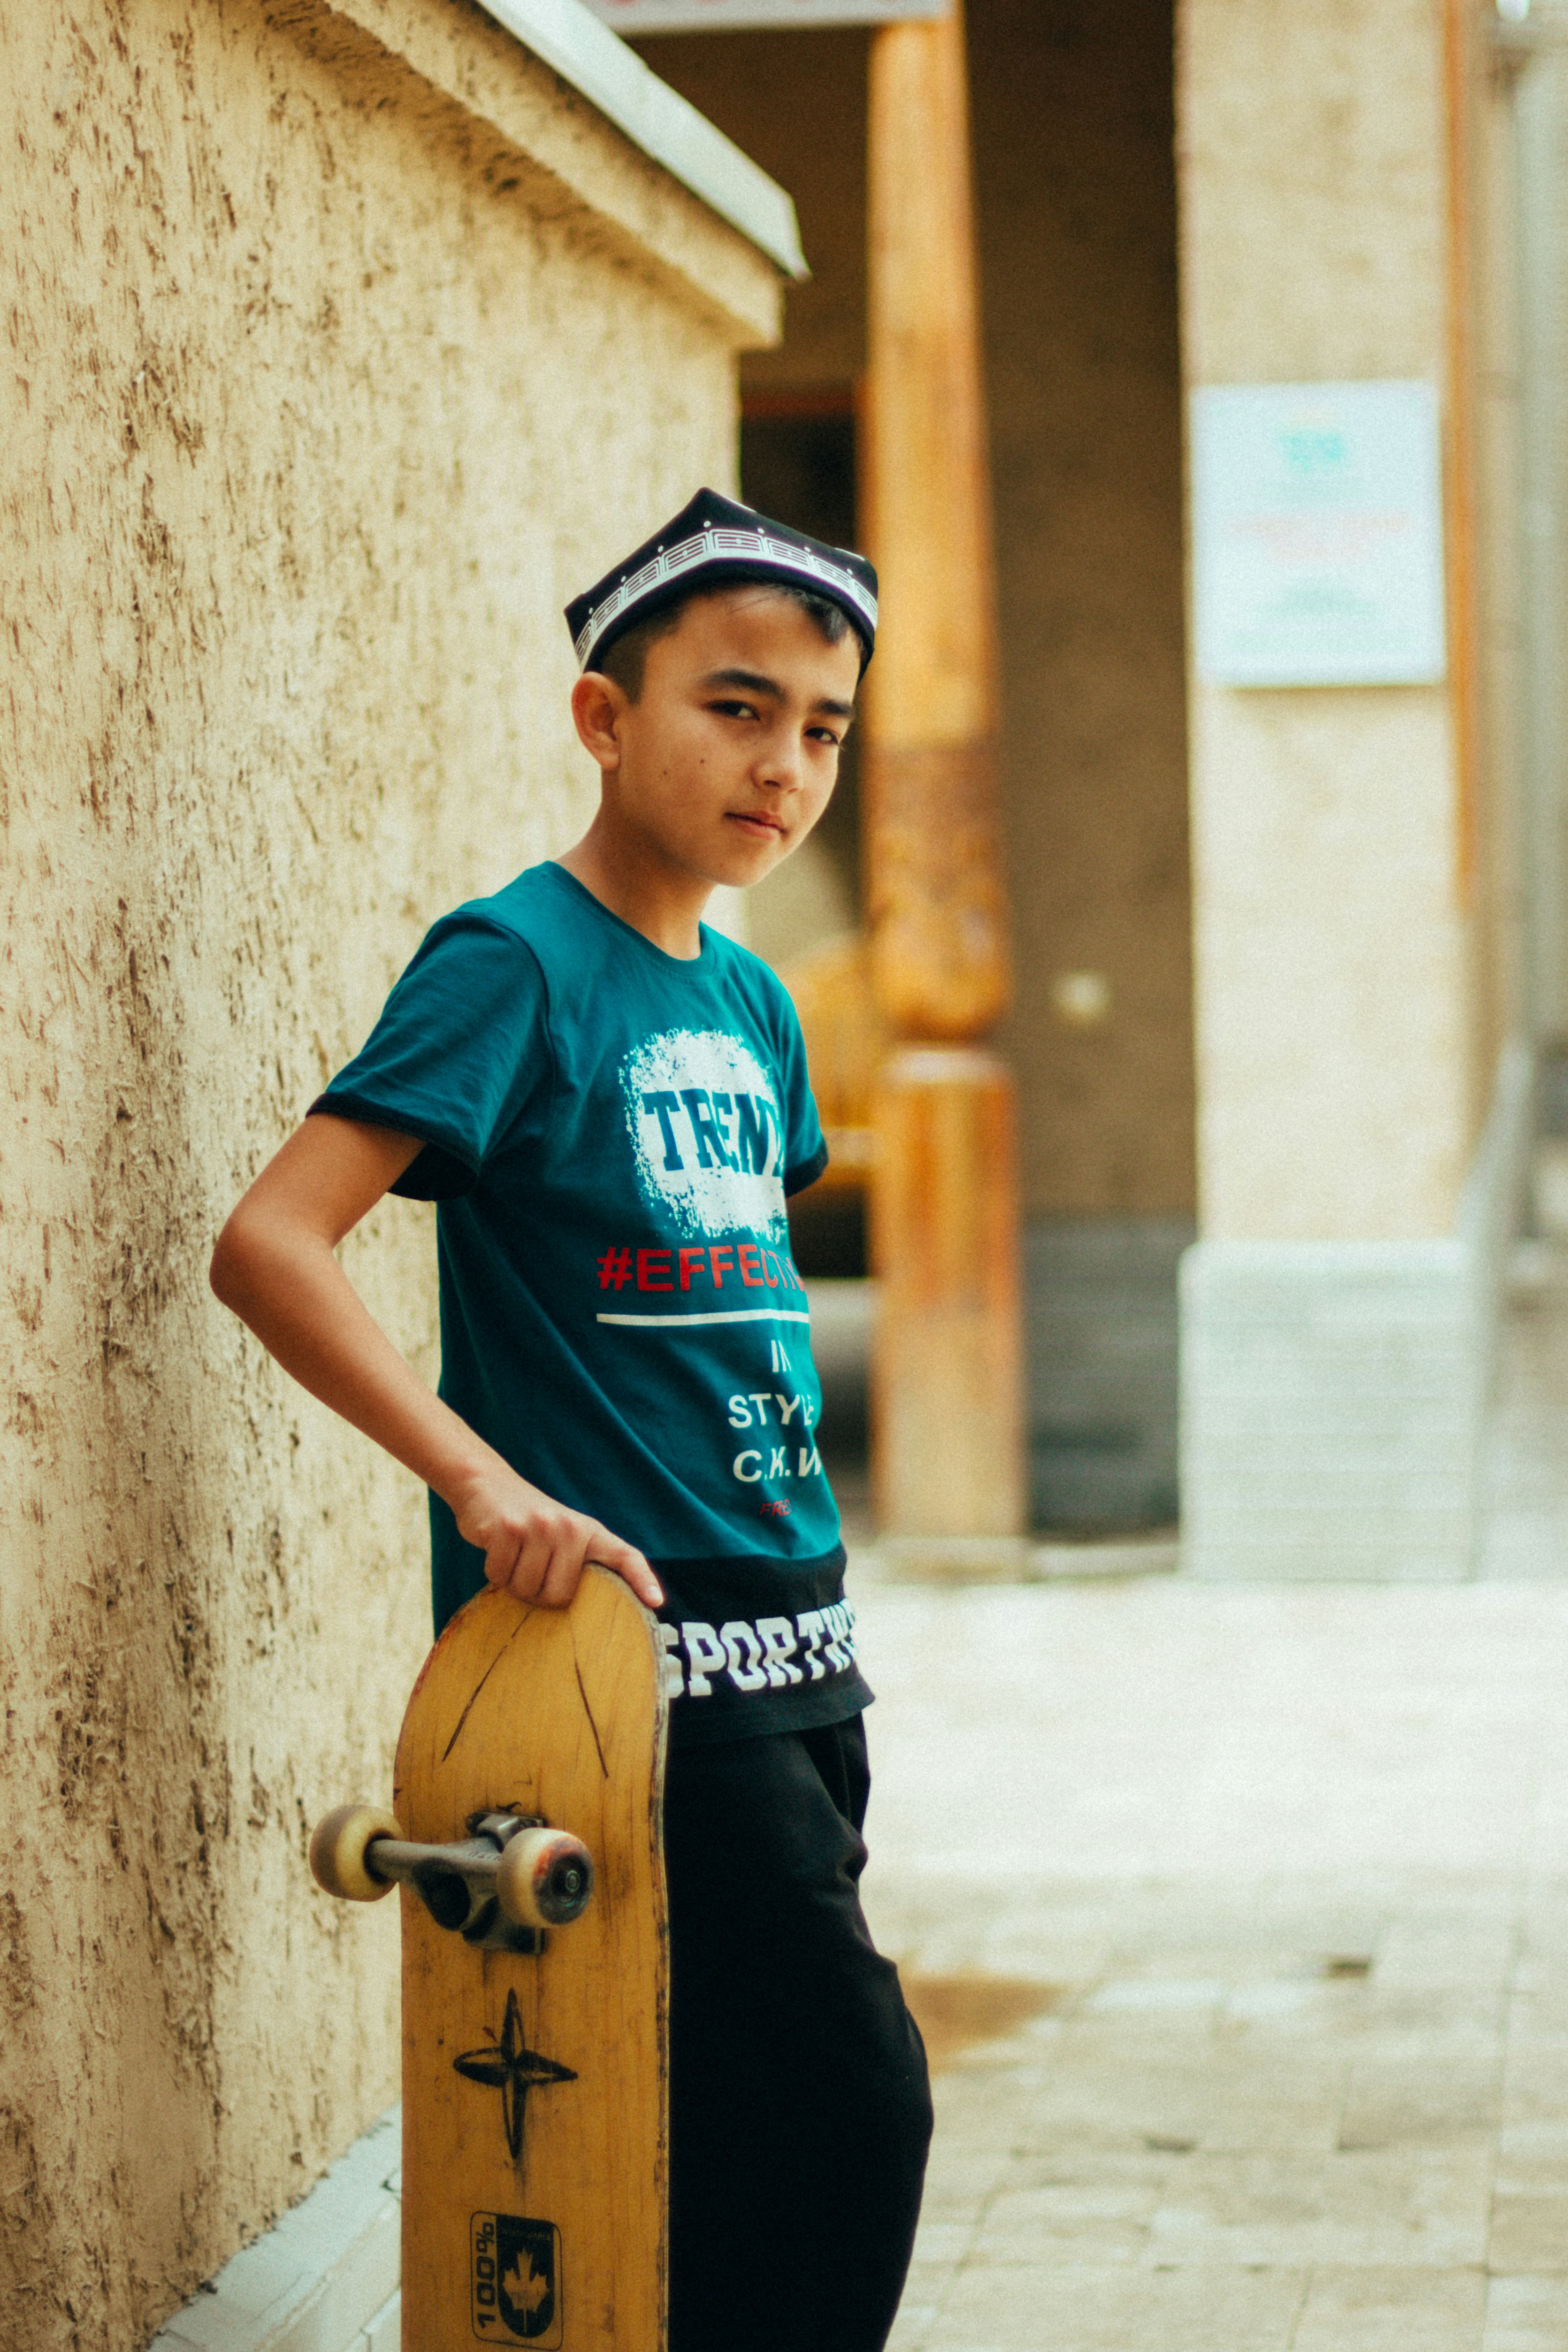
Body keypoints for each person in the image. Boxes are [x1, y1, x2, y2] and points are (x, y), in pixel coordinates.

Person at [209, 488, 933, 2352]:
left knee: (715, 2148)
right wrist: (479, 1476)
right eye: (734, 706)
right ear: (603, 718)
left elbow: (726, 1322)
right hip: (620, 1665)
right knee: (860, 2108)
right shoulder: (511, 961)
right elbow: (272, 1241)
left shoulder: (758, 1000)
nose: (783, 764)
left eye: (822, 729)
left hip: (798, 1653)